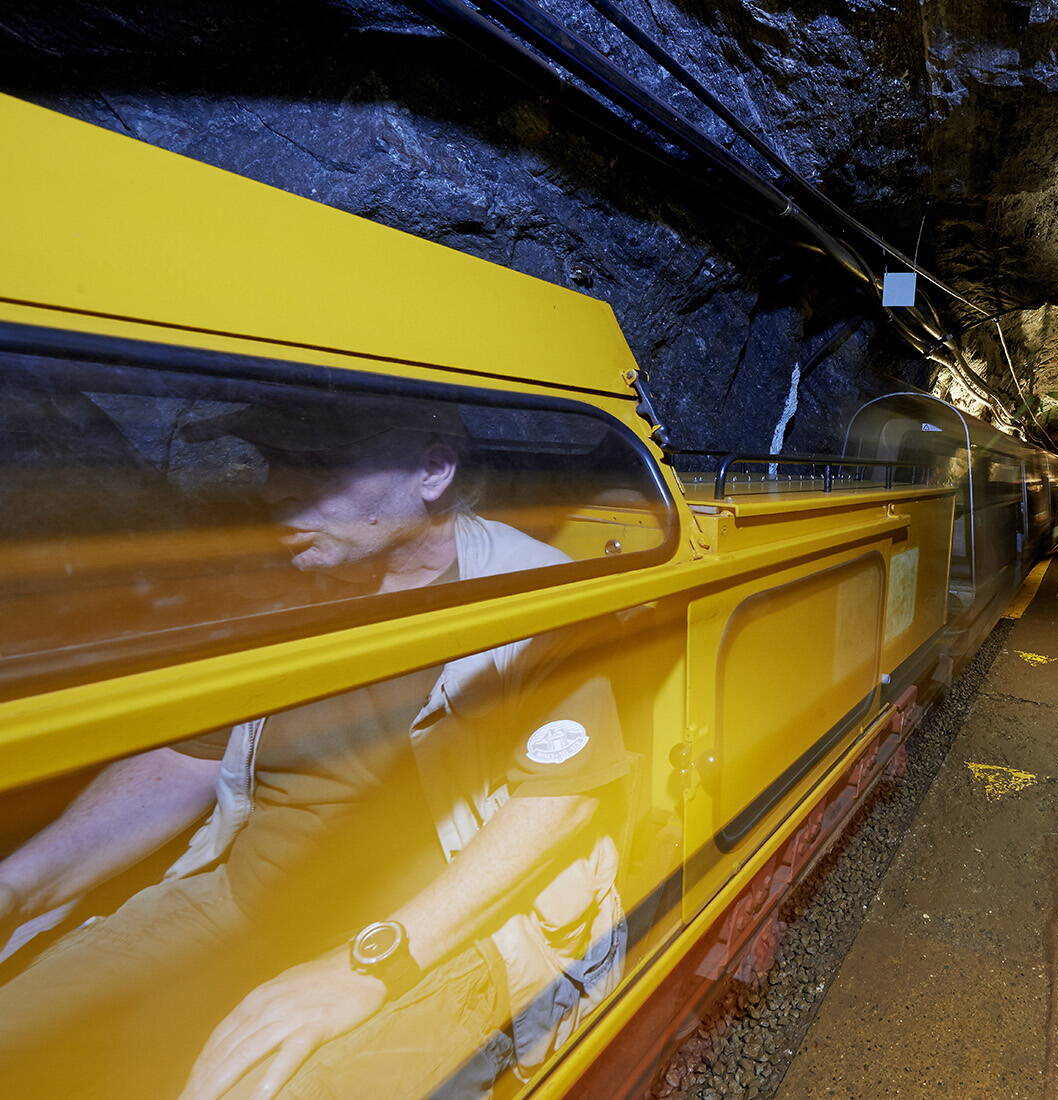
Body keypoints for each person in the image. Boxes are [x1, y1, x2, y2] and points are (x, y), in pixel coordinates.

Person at [0, 395, 634, 1100]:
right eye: (275, 461)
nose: (279, 488)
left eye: (318, 461)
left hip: (442, 925)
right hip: (242, 897)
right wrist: (20, 884)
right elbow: (189, 759)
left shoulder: (534, 591)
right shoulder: (282, 592)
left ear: (432, 471)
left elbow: (564, 799)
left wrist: (367, 967)